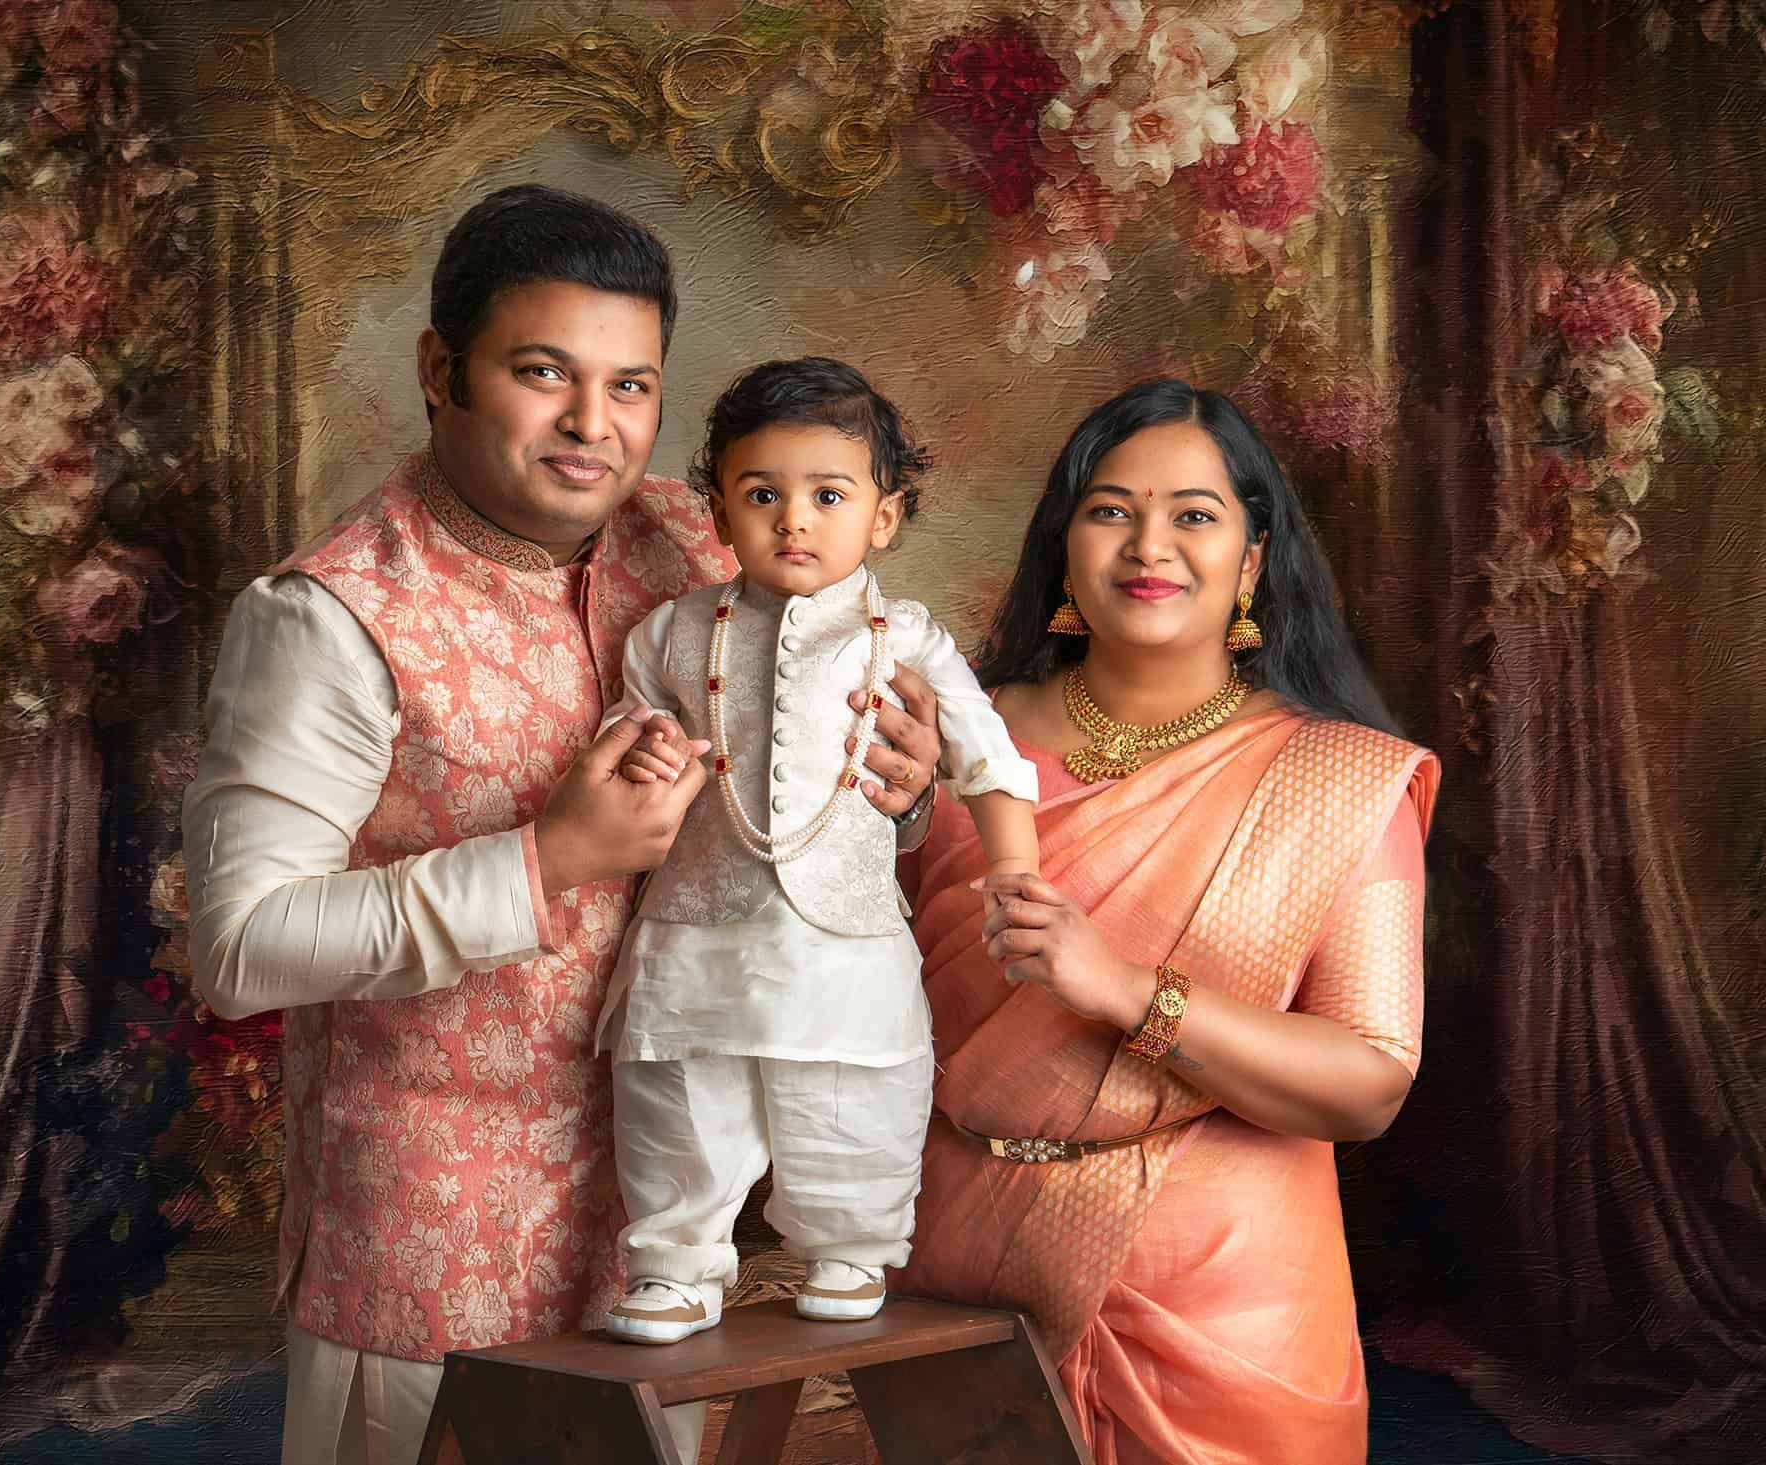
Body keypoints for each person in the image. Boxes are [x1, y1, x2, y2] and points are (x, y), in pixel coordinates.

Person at [180, 187, 946, 1465]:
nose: (594, 426)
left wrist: (900, 787)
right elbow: (242, 945)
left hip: (675, 1241)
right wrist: (549, 861)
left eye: (631, 385)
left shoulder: (705, 535)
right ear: (442, 371)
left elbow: (804, 787)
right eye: (543, 373)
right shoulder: (330, 616)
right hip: (429, 1253)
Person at [892, 380, 1440, 1465]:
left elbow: (1370, 1077)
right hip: (952, 1283)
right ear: (1061, 546)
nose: (1149, 543)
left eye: (1193, 514)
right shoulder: (943, 741)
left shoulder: (1333, 779)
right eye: (1109, 510)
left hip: (1222, 1309)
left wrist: (1128, 993)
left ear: (1249, 561)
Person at [588, 358, 1040, 1345]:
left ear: (882, 515)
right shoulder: (671, 635)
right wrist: (645, 745)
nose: (792, 519)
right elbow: (627, 730)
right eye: (760, 495)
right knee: (677, 1089)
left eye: (826, 494)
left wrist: (1012, 868)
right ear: (717, 510)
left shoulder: (902, 639)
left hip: (842, 932)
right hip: (694, 924)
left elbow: (984, 753)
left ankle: (848, 1244)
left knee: (852, 1087)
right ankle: (674, 1259)